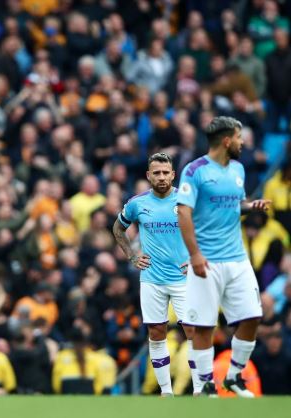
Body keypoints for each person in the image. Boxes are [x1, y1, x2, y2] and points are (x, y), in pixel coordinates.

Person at [176, 116, 271, 397]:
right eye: (239, 138)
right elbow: (183, 212)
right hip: (207, 260)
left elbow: (234, 203)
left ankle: (233, 377)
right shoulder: (195, 170)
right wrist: (195, 254)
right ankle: (206, 385)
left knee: (252, 317)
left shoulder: (238, 169)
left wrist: (250, 206)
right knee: (204, 325)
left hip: (237, 258)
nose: (243, 143)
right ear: (227, 141)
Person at [112, 152, 198, 396]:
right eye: (156, 173)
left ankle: (200, 388)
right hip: (152, 279)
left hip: (184, 278)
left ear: (173, 174)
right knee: (156, 333)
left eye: (165, 173)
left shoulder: (187, 199)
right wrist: (132, 256)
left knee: (193, 332)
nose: (161, 177)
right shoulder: (137, 203)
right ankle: (166, 391)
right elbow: (118, 228)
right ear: (148, 176)